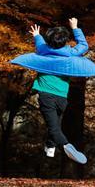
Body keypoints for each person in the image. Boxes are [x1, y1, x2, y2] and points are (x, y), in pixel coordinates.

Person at [29, 17, 88, 164]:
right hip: (62, 97)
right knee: (55, 124)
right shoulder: (70, 53)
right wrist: (75, 27)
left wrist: (37, 35)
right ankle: (50, 147)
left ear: (49, 40)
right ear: (65, 40)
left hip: (46, 96)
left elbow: (40, 43)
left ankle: (67, 146)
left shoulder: (44, 50)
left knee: (54, 128)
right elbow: (84, 45)